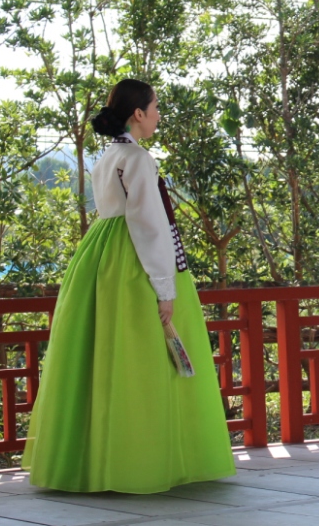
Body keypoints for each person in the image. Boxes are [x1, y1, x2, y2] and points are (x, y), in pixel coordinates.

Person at [22, 79, 236, 492]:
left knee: (105, 356)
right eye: (155, 108)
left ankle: (96, 462)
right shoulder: (137, 158)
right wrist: (165, 289)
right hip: (134, 262)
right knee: (144, 360)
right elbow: (149, 225)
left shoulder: (108, 156)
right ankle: (146, 461)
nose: (158, 115)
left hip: (101, 257)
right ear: (138, 114)